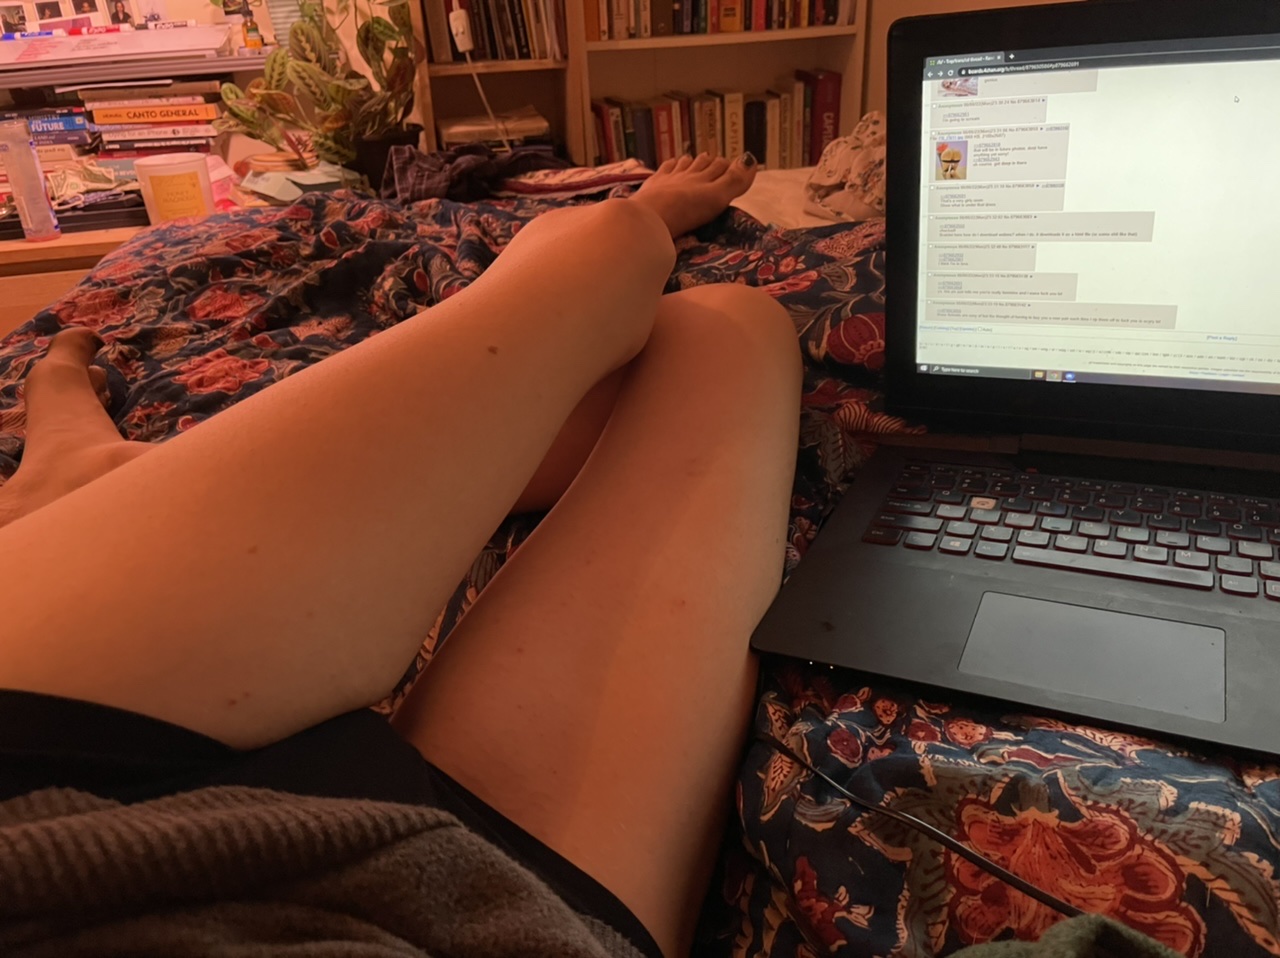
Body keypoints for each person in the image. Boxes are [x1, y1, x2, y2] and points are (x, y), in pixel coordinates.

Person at [0, 153, 801, 957]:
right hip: (484, 916)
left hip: (46, 788)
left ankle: (81, 477)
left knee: (615, 245)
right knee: (723, 327)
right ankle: (95, 488)